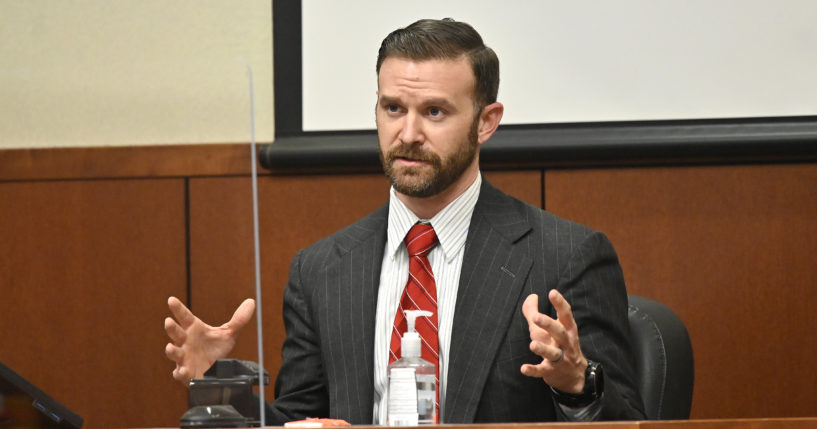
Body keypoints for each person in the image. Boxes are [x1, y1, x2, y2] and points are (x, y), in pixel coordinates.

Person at [164, 18, 645, 425]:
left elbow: (633, 420)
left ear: (486, 121)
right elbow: (300, 417)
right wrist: (221, 386)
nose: (408, 133)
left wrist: (578, 383)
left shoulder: (566, 255)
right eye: (393, 108)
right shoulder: (321, 270)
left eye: (434, 112)